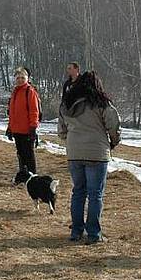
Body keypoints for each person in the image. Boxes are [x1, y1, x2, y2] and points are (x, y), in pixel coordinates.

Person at [58, 71, 121, 244]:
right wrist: (113, 142)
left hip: (74, 153)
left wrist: (73, 140)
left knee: (78, 191)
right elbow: (113, 125)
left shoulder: (67, 104)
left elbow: (61, 131)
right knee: (95, 194)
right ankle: (94, 233)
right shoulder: (101, 102)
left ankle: (76, 231)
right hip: (97, 152)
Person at [6, 67, 40, 174]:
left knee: (29, 155)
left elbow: (34, 111)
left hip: (27, 130)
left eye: (22, 77)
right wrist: (10, 128)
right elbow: (12, 113)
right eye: (18, 78)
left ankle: (33, 177)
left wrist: (33, 128)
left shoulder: (30, 92)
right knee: (20, 155)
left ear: (27, 78)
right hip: (17, 130)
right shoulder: (15, 92)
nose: (20, 80)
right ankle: (23, 175)